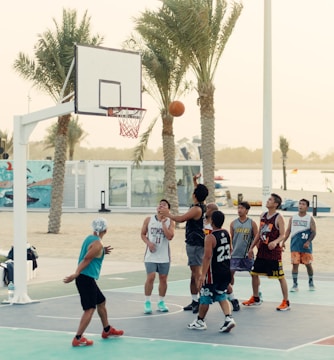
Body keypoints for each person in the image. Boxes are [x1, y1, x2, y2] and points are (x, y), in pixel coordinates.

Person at [63, 217, 124, 347]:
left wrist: (102, 252)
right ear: (106, 230)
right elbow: (87, 259)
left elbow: (91, 252)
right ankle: (78, 337)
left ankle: (107, 330)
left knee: (101, 301)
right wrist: (76, 273)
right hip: (85, 278)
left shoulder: (90, 239)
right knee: (90, 309)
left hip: (87, 278)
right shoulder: (98, 244)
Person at [160, 173, 208, 314]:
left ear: (194, 195)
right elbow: (199, 191)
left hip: (195, 245)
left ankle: (200, 300)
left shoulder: (196, 209)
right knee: (194, 274)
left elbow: (181, 219)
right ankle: (195, 301)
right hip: (197, 244)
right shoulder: (202, 205)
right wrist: (195, 181)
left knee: (196, 274)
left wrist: (168, 214)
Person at [187, 210, 236, 332]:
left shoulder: (210, 237)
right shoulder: (226, 233)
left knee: (205, 297)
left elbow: (207, 256)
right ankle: (228, 318)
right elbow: (230, 250)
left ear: (212, 221)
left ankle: (200, 321)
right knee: (221, 295)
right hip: (225, 270)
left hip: (214, 273)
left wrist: (202, 275)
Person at [242, 193, 290, 311]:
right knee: (254, 274)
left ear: (275, 204)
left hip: (274, 252)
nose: (267, 201)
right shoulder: (263, 215)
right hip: (262, 250)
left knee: (280, 276)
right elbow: (259, 233)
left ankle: (286, 301)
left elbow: (282, 234)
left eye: (270, 200)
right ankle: (256, 298)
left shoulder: (279, 217)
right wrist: (251, 247)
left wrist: (275, 242)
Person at [141, 199, 175, 314]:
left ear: (168, 209)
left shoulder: (170, 221)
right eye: (159, 204)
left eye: (164, 205)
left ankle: (161, 302)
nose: (161, 206)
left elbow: (170, 236)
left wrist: (163, 224)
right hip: (151, 255)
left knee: (163, 279)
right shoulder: (148, 220)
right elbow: (142, 234)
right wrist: (149, 243)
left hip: (164, 256)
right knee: (150, 277)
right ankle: (147, 302)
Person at [228, 201, 258, 312]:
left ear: (247, 210)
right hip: (235, 254)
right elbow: (231, 238)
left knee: (254, 274)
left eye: (241, 208)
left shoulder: (252, 223)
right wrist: (230, 249)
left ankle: (256, 294)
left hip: (247, 254)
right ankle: (230, 295)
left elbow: (256, 238)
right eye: (238, 207)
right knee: (230, 273)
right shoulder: (233, 223)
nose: (239, 210)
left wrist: (259, 252)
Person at [282, 198, 317, 291]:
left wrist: (308, 241)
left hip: (306, 246)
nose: (301, 206)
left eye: (303, 204)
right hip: (295, 245)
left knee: (308, 265)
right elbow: (288, 230)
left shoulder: (310, 218)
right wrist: (283, 241)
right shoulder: (293, 218)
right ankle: (295, 284)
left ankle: (311, 282)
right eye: (300, 204)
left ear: (307, 207)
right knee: (295, 264)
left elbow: (313, 232)